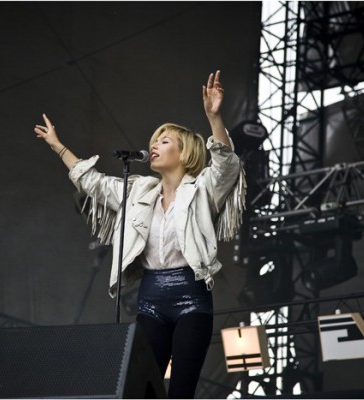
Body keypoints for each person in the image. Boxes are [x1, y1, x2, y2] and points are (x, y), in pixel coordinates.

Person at [34, 70, 245, 398]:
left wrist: (213, 117)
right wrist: (58, 147)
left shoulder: (202, 189)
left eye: (164, 141)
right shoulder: (139, 192)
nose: (154, 145)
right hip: (151, 301)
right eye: (153, 141)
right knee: (138, 390)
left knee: (180, 391)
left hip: (192, 298)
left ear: (185, 152)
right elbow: (95, 184)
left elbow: (227, 166)